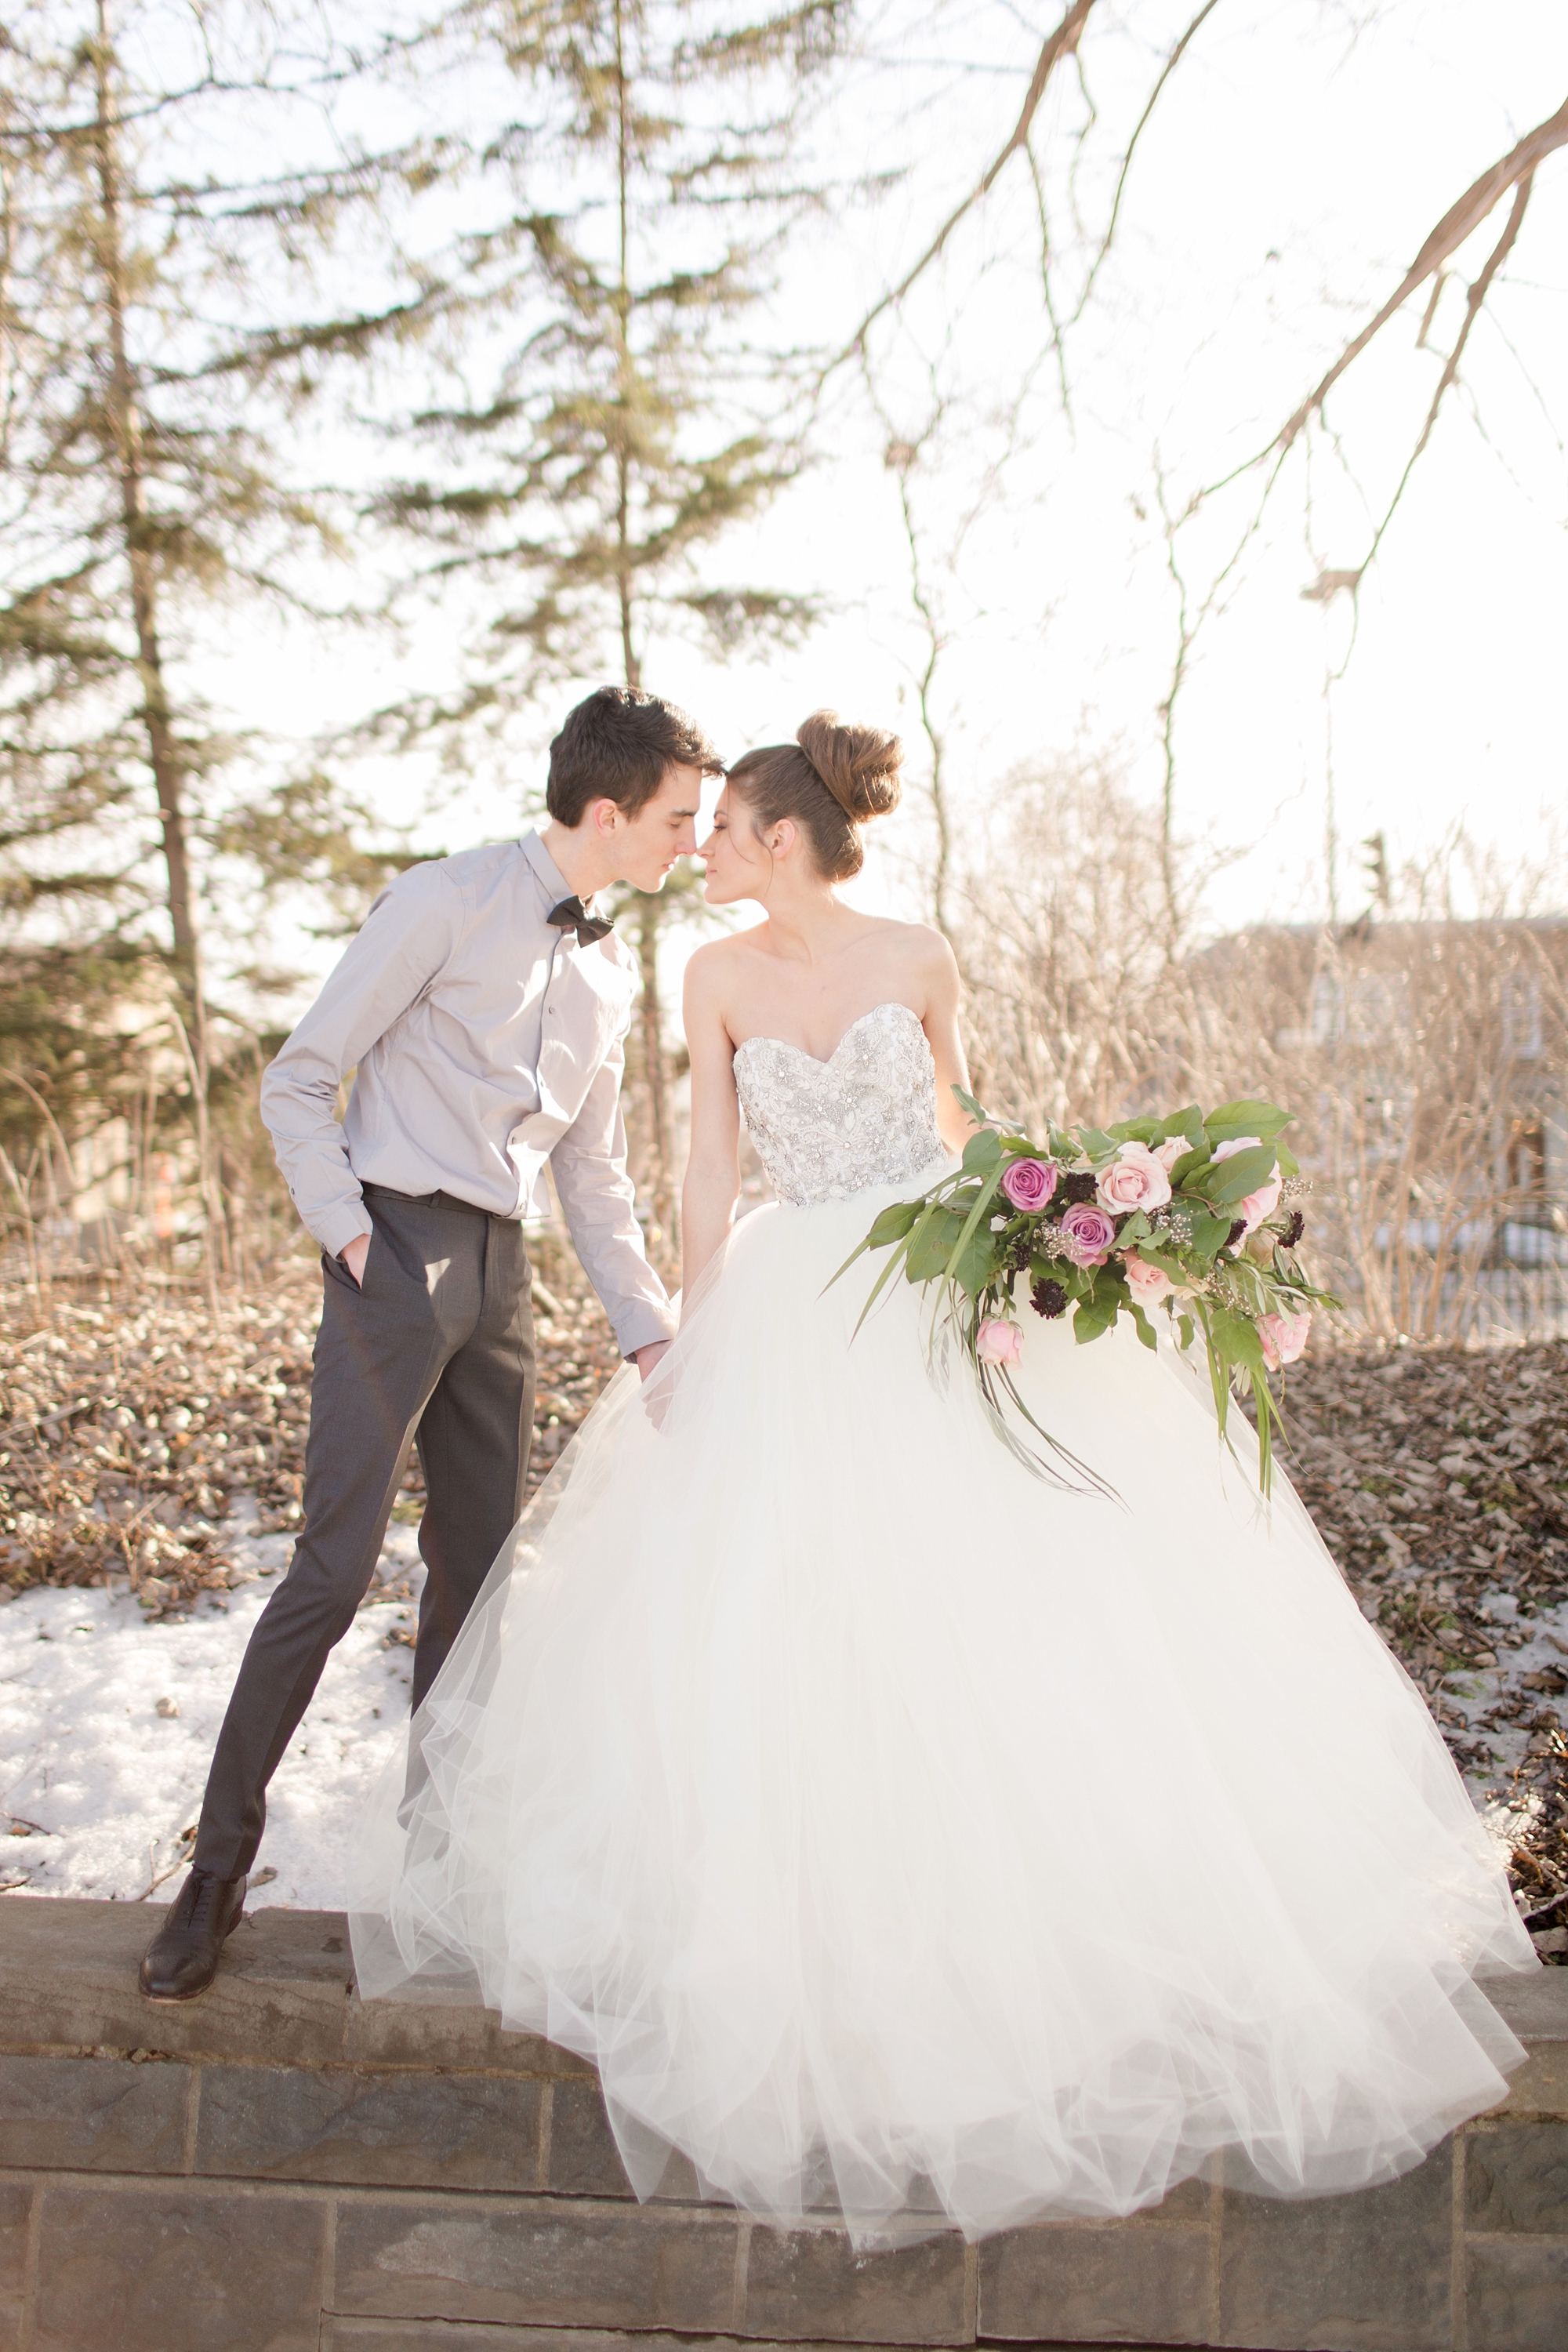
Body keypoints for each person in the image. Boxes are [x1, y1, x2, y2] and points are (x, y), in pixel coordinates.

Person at [348, 711, 1537, 2248]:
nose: (699, 850)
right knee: (792, 1613)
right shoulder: (709, 978)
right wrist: (690, 1334)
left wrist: (1087, 1224)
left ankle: (1051, 1924)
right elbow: (709, 1166)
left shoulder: (921, 957)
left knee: (1006, 1595)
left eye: (720, 832)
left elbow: (968, 1129)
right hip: (793, 1310)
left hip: (936, 1286)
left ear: (780, 838)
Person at [140, 685, 723, 2002]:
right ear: (611, 810)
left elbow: (596, 1174)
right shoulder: (442, 901)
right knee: (331, 1576)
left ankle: (438, 1882)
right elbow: (301, 1074)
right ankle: (215, 1871)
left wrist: (649, 1336)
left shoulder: (611, 967)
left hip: (502, 1281)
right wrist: (349, 1234)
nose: (695, 841)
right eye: (682, 819)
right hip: (393, 1256)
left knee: (476, 1597)